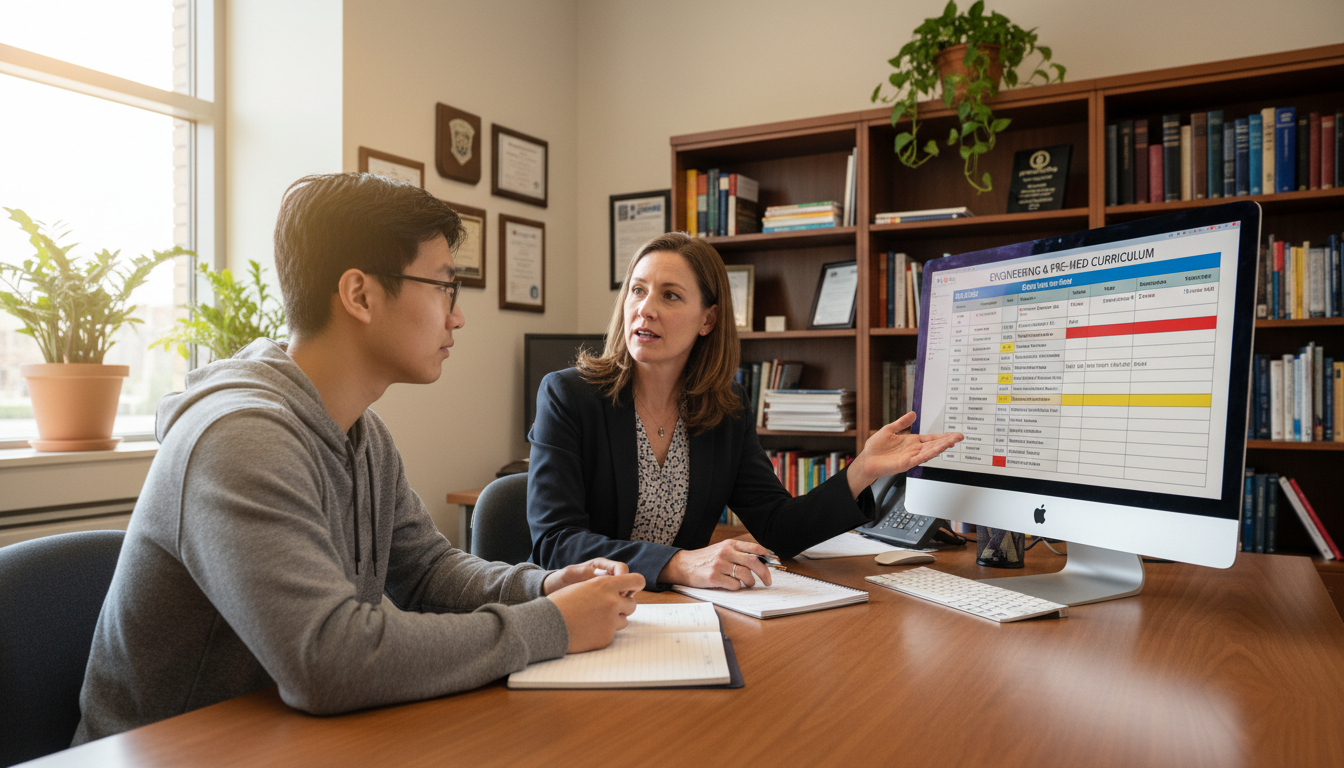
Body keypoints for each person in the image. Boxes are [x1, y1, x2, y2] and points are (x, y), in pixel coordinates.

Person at [73, 173, 642, 744]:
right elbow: (328, 660)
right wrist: (553, 626)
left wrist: (544, 589)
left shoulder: (361, 432)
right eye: (445, 286)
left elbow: (427, 571)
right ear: (360, 295)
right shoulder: (238, 440)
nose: (458, 316)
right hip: (180, 754)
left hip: (288, 740)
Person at [527, 232, 963, 591]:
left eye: (671, 295)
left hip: (681, 615)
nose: (646, 308)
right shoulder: (569, 396)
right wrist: (679, 563)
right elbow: (555, 543)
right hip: (586, 608)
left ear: (708, 320)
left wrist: (862, 470)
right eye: (637, 290)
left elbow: (778, 527)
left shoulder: (724, 411)